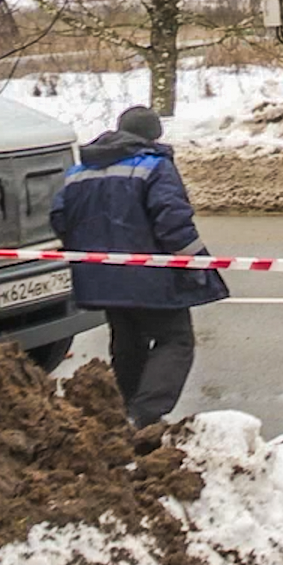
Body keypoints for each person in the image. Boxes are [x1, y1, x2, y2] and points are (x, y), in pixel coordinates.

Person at [50, 106, 229, 427]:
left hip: (101, 278)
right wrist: (197, 265)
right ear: (153, 135)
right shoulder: (154, 167)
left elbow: (60, 219)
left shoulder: (79, 172)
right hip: (150, 278)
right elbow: (174, 224)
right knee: (176, 340)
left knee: (127, 341)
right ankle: (143, 415)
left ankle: (125, 413)